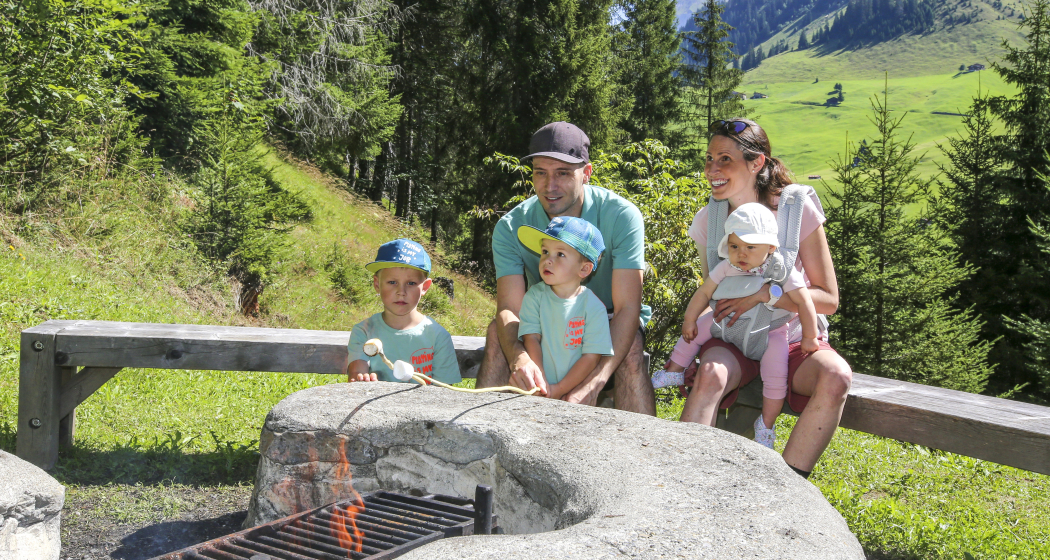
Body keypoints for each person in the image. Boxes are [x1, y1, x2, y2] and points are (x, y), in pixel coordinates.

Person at [682, 118, 853, 479]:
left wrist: (765, 296)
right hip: (736, 338)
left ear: (756, 163)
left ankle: (788, 485)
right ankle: (684, 480)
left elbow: (828, 298)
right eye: (709, 158)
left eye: (724, 159)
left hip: (790, 339)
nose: (712, 169)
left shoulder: (795, 211)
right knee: (711, 372)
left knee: (836, 376)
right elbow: (713, 292)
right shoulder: (707, 222)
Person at [477, 121, 655, 414]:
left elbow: (627, 309)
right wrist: (520, 358)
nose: (550, 186)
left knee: (632, 348)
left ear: (586, 173)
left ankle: (642, 453)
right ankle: (478, 437)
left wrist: (595, 382)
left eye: (562, 173)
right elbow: (510, 308)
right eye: (540, 173)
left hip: (607, 317)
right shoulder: (511, 226)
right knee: (498, 333)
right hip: (547, 316)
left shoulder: (622, 216)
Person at [649, 203, 820, 449]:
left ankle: (766, 426)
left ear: (771, 247)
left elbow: (805, 302)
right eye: (734, 246)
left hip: (770, 331)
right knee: (697, 330)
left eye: (751, 247)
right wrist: (689, 320)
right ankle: (675, 369)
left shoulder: (781, 268)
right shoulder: (727, 266)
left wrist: (810, 335)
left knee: (776, 373)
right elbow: (704, 292)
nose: (742, 254)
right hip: (728, 323)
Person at [516, 216, 614, 399]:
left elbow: (591, 358)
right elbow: (531, 339)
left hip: (573, 393)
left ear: (584, 269)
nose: (548, 260)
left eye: (560, 254)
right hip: (535, 388)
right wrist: (541, 381)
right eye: (545, 251)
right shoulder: (534, 297)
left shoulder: (593, 308)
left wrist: (559, 389)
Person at [346, 238, 462, 384]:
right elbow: (356, 372)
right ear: (377, 284)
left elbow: (446, 392)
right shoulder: (363, 331)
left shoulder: (438, 337)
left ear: (425, 287)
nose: (401, 291)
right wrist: (361, 379)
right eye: (392, 282)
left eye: (411, 283)